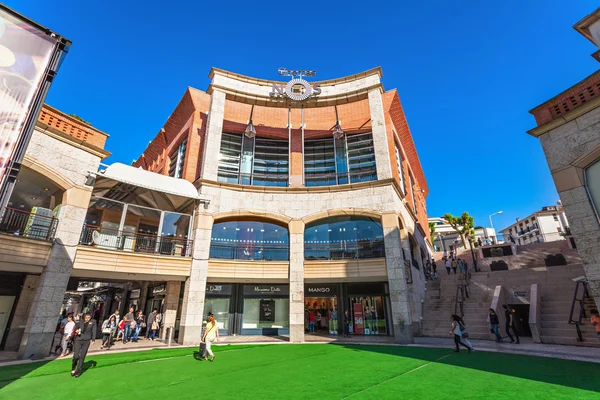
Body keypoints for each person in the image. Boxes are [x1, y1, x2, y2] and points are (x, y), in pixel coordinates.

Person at [71, 312, 96, 378]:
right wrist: (76, 331)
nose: (87, 319)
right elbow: (75, 329)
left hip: (86, 340)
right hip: (78, 339)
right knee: (76, 356)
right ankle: (73, 367)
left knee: (82, 355)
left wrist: (93, 339)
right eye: (86, 318)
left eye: (89, 318)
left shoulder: (93, 322)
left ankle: (78, 371)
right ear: (84, 317)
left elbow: (94, 330)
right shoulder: (80, 322)